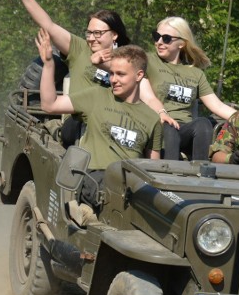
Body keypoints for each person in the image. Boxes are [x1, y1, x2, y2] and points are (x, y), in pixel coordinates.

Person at [13, 0, 175, 139]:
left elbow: (145, 91)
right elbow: (49, 26)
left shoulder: (126, 61)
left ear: (114, 35)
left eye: (98, 33)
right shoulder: (80, 49)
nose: (91, 38)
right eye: (89, 33)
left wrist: (161, 112)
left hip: (115, 122)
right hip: (78, 121)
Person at [36, 28, 162, 219]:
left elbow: (153, 168)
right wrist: (48, 65)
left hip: (130, 187)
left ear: (139, 76)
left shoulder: (152, 118)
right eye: (111, 74)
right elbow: (50, 105)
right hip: (95, 179)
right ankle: (88, 214)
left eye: (121, 74)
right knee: (109, 190)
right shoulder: (96, 96)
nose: (113, 80)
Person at [141, 17, 236, 160]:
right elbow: (148, 97)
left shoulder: (195, 73)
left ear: (181, 43)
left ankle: (200, 172)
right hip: (158, 124)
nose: (159, 42)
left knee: (203, 124)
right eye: (156, 36)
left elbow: (217, 106)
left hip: (184, 129)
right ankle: (170, 175)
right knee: (169, 128)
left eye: (166, 38)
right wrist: (162, 113)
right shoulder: (147, 61)